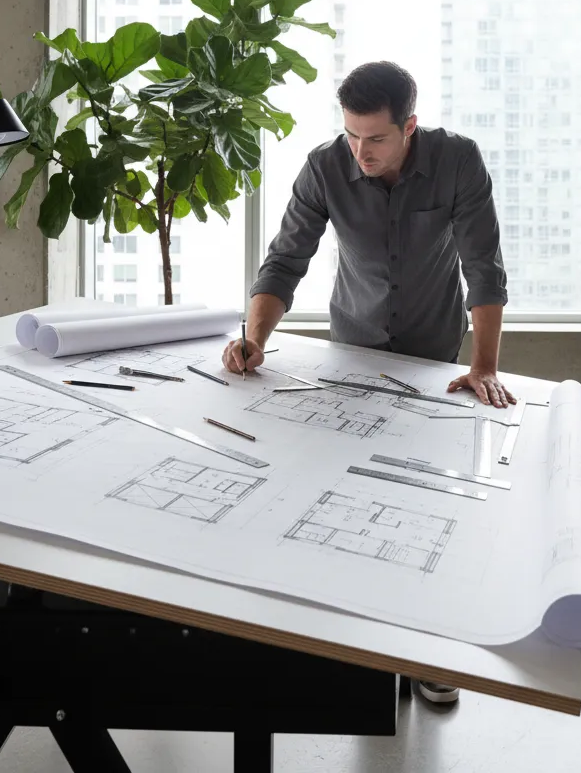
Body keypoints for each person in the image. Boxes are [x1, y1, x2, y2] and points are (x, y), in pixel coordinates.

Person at [222, 59, 515, 704]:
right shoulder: (326, 167)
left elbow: (483, 264)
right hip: (350, 351)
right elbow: (285, 259)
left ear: (409, 126)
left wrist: (485, 365)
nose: (361, 152)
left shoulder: (458, 161)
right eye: (352, 136)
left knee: (431, 503)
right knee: (350, 501)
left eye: (376, 139)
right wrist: (256, 339)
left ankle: (432, 652)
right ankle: (363, 648)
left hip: (433, 355)